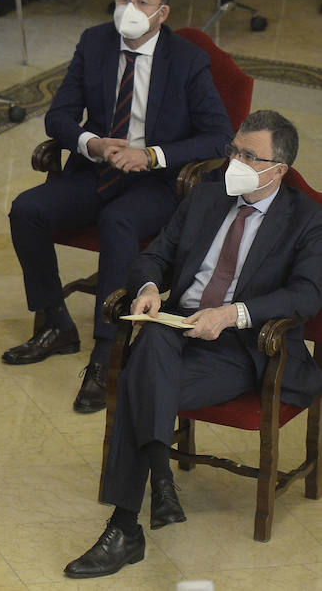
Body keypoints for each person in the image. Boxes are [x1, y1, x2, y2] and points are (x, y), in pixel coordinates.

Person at [65, 111, 322, 579]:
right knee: (155, 338)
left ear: (278, 170)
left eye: (249, 156)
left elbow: (306, 295)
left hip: (241, 348)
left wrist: (231, 314)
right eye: (234, 150)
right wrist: (147, 288)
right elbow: (154, 255)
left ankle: (125, 527)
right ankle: (158, 482)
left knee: (139, 383)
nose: (235, 162)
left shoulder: (306, 219)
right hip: (177, 327)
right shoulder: (207, 194)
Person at [3, 0, 233, 414]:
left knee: (118, 221)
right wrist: (91, 143)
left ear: (162, 13)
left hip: (158, 181)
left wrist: (153, 155)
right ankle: (56, 324)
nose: (129, 8)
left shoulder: (187, 60)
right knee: (27, 210)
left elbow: (219, 136)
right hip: (97, 170)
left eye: (142, 2)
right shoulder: (95, 42)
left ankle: (106, 353)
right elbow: (59, 115)